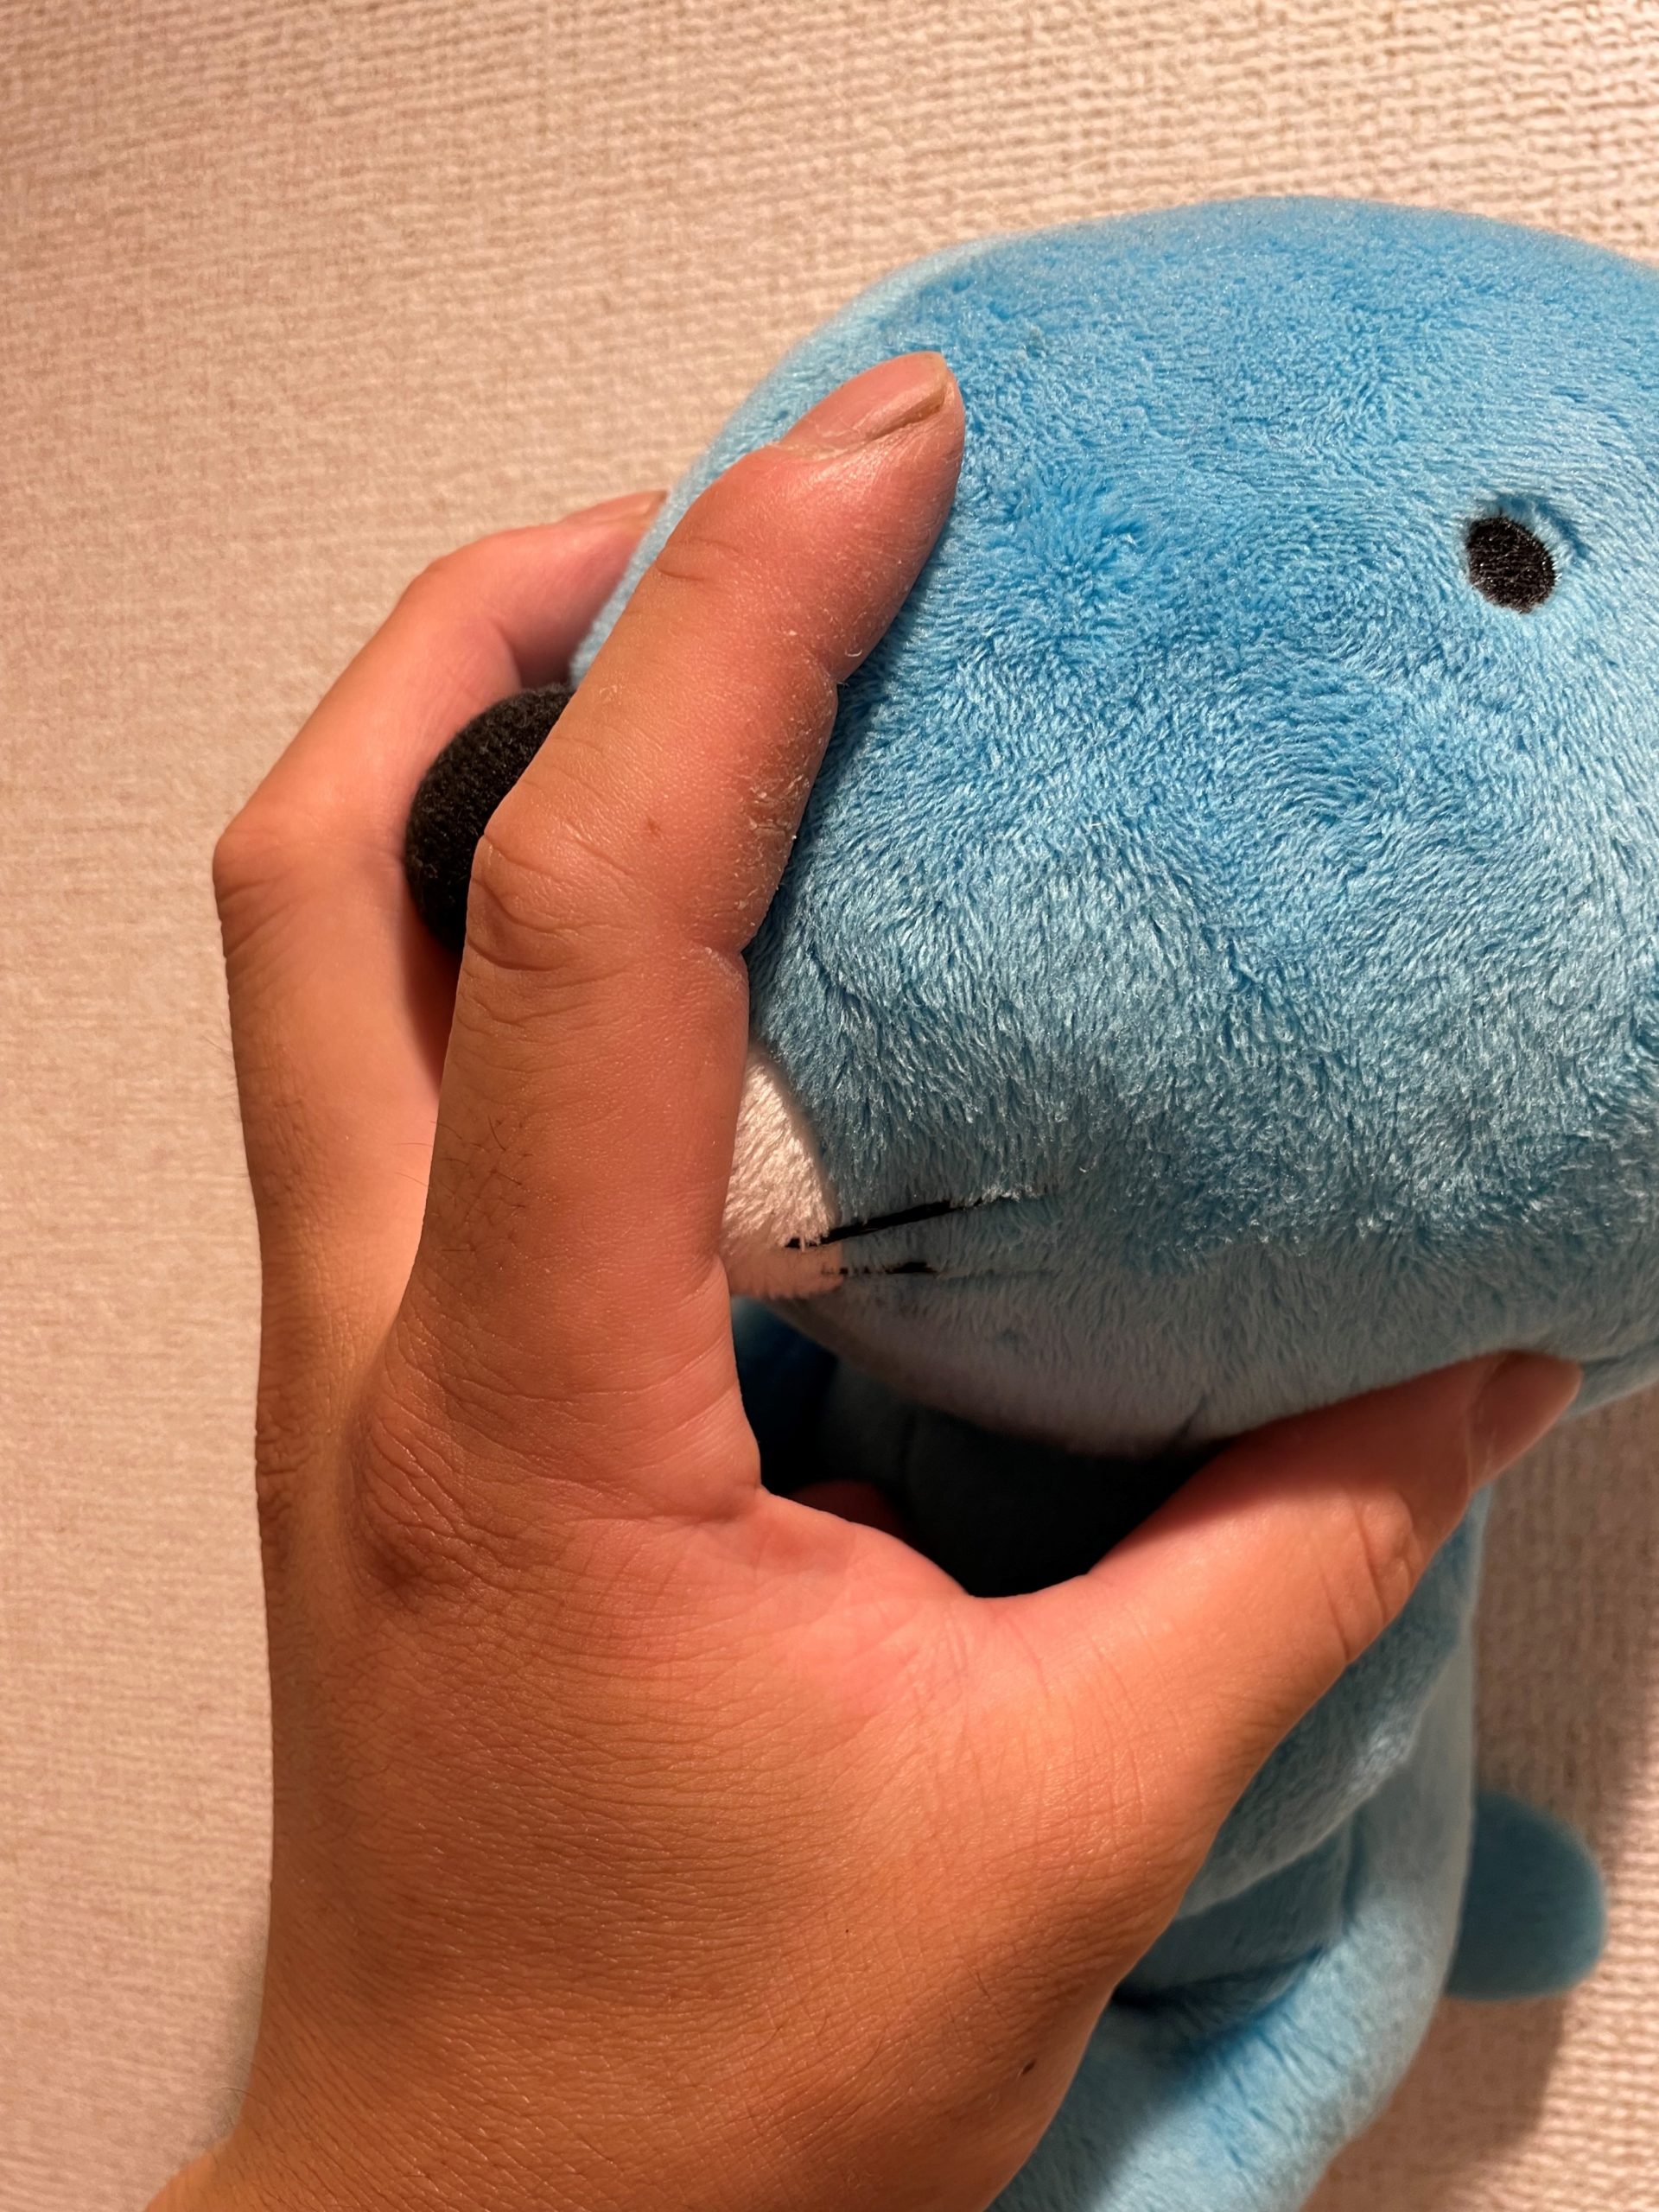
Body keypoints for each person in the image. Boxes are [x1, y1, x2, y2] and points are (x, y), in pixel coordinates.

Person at [151, 353, 1578, 2212]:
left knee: (1335, 1906)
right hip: (970, 1930)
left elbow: (1296, 1782)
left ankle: (1447, 1899)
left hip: (1222, 1924)